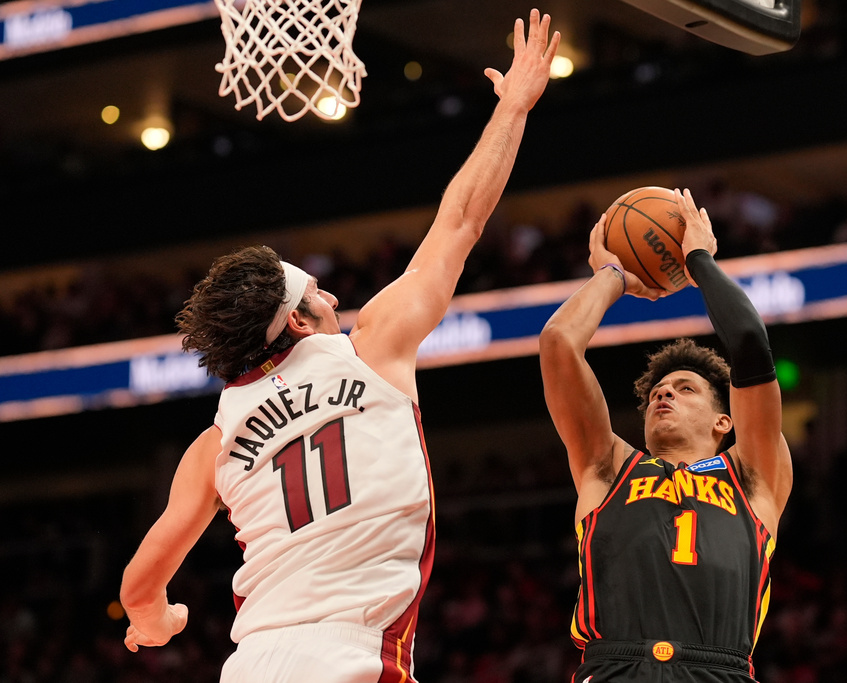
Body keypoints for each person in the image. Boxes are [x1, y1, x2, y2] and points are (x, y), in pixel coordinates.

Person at [119, 10, 560, 683]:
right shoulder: (371, 347)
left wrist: (158, 624)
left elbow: (138, 587)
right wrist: (515, 107)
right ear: (297, 321)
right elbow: (463, 219)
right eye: (318, 293)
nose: (333, 299)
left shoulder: (213, 444)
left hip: (252, 664)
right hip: (351, 660)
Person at [539, 188, 793, 682]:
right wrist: (613, 276)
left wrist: (698, 259)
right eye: (658, 390)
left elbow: (748, 343)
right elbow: (559, 343)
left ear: (725, 421)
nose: (664, 395)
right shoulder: (609, 466)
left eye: (684, 389)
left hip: (718, 671)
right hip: (614, 667)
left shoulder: (753, 473)